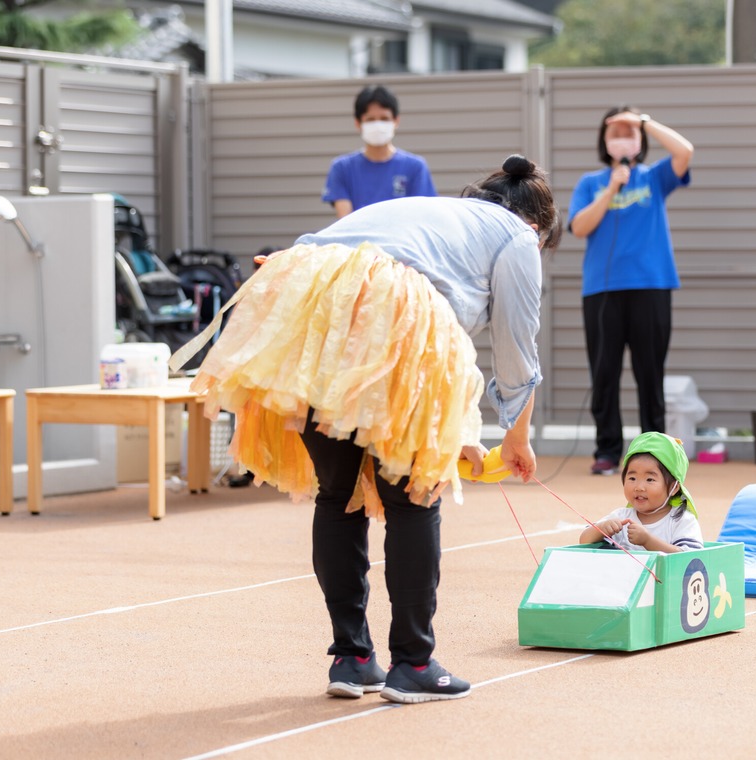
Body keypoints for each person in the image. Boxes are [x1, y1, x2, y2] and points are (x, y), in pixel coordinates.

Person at [175, 155, 560, 705]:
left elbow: (313, 256)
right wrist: (517, 436)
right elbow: (516, 347)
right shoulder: (518, 238)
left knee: (338, 496)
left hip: (308, 305)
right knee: (412, 501)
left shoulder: (426, 211)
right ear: (537, 227)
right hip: (389, 312)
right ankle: (414, 664)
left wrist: (464, 436)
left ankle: (352, 658)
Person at [567, 106, 694, 476]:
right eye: (615, 132)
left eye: (629, 131)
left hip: (651, 287)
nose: (622, 137)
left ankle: (654, 452)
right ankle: (607, 450)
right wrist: (611, 188)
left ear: (640, 140)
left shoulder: (655, 177)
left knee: (649, 373)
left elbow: (685, 152)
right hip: (602, 291)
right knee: (603, 372)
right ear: (603, 141)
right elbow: (579, 227)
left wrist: (646, 121)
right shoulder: (590, 183)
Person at [321, 84, 436, 217]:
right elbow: (345, 221)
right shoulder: (342, 168)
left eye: (384, 119)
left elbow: (420, 215)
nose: (378, 125)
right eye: (370, 119)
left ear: (396, 121)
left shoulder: (416, 167)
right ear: (358, 123)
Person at [578, 432, 703, 553]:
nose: (639, 487)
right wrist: (601, 529)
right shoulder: (621, 518)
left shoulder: (681, 520)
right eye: (632, 478)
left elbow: (689, 558)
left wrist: (648, 541)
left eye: (650, 479)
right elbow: (584, 541)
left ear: (674, 487)